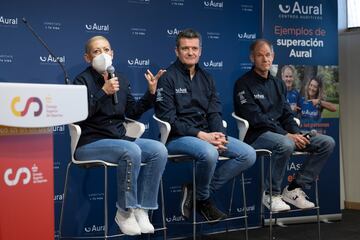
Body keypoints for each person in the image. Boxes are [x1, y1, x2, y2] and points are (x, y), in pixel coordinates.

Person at [155, 29, 256, 222]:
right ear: (177, 51)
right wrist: (202, 136)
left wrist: (219, 134)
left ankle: (198, 191)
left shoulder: (207, 78)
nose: (190, 52)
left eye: (194, 48)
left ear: (200, 51)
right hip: (177, 138)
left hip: (207, 136)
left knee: (248, 154)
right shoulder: (167, 78)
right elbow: (169, 119)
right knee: (209, 153)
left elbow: (214, 112)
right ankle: (204, 199)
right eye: (185, 48)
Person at [72, 36, 167, 236]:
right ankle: (125, 211)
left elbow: (131, 112)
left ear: (113, 54)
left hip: (119, 140)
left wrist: (150, 94)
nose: (103, 55)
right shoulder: (81, 81)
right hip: (90, 142)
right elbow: (78, 116)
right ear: (87, 57)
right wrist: (102, 93)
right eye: (97, 51)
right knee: (130, 149)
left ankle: (143, 209)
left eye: (106, 50)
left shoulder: (121, 79)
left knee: (159, 149)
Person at [233, 39, 335, 211]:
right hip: (256, 135)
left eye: (268, 55)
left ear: (272, 57)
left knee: (326, 142)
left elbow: (287, 113)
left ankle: (294, 188)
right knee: (286, 143)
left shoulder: (278, 83)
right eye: (260, 55)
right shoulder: (243, 83)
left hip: (283, 134)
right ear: (252, 58)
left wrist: (297, 134)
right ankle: (271, 194)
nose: (265, 59)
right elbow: (255, 118)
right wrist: (286, 135)